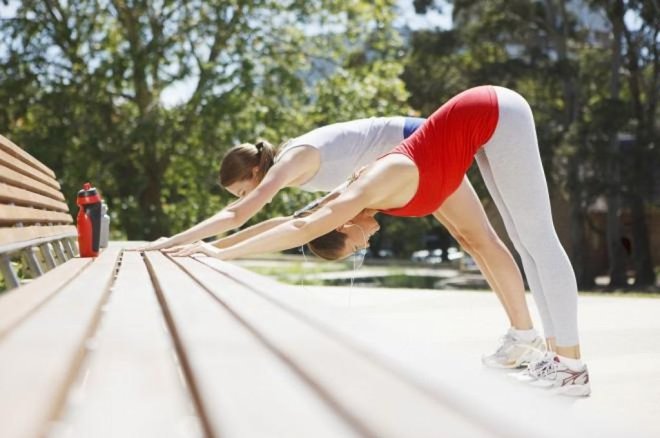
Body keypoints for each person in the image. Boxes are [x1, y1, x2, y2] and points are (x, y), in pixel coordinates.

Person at [171, 85, 590, 396]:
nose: (363, 247)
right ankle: (552, 357)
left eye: (354, 247)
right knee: (521, 238)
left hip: (495, 111)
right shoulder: (356, 200)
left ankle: (570, 364)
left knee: (537, 237)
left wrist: (215, 249)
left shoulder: (363, 191)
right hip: (480, 127)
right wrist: (221, 250)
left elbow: (299, 228)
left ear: (344, 224)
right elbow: (292, 220)